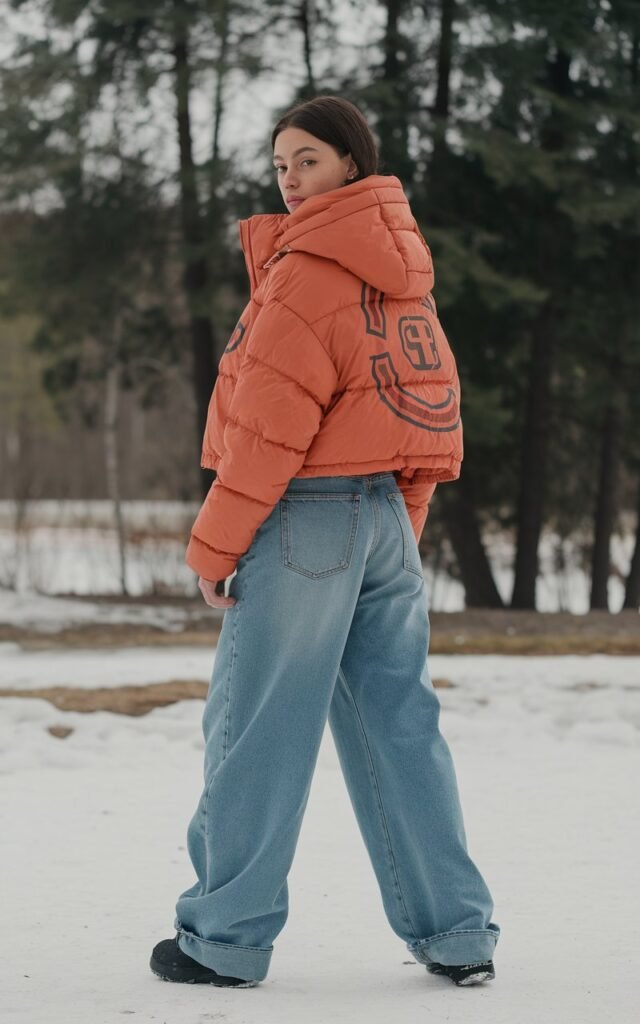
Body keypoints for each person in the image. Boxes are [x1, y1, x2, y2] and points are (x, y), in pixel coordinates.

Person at [150, 95, 500, 990]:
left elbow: (271, 426)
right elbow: (430, 406)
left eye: (308, 160)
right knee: (400, 725)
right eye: (280, 165)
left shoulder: (307, 270)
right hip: (379, 515)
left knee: (257, 723)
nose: (291, 179)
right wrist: (398, 528)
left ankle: (223, 938)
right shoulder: (402, 273)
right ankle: (457, 933)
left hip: (304, 516)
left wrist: (215, 548)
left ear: (351, 163)